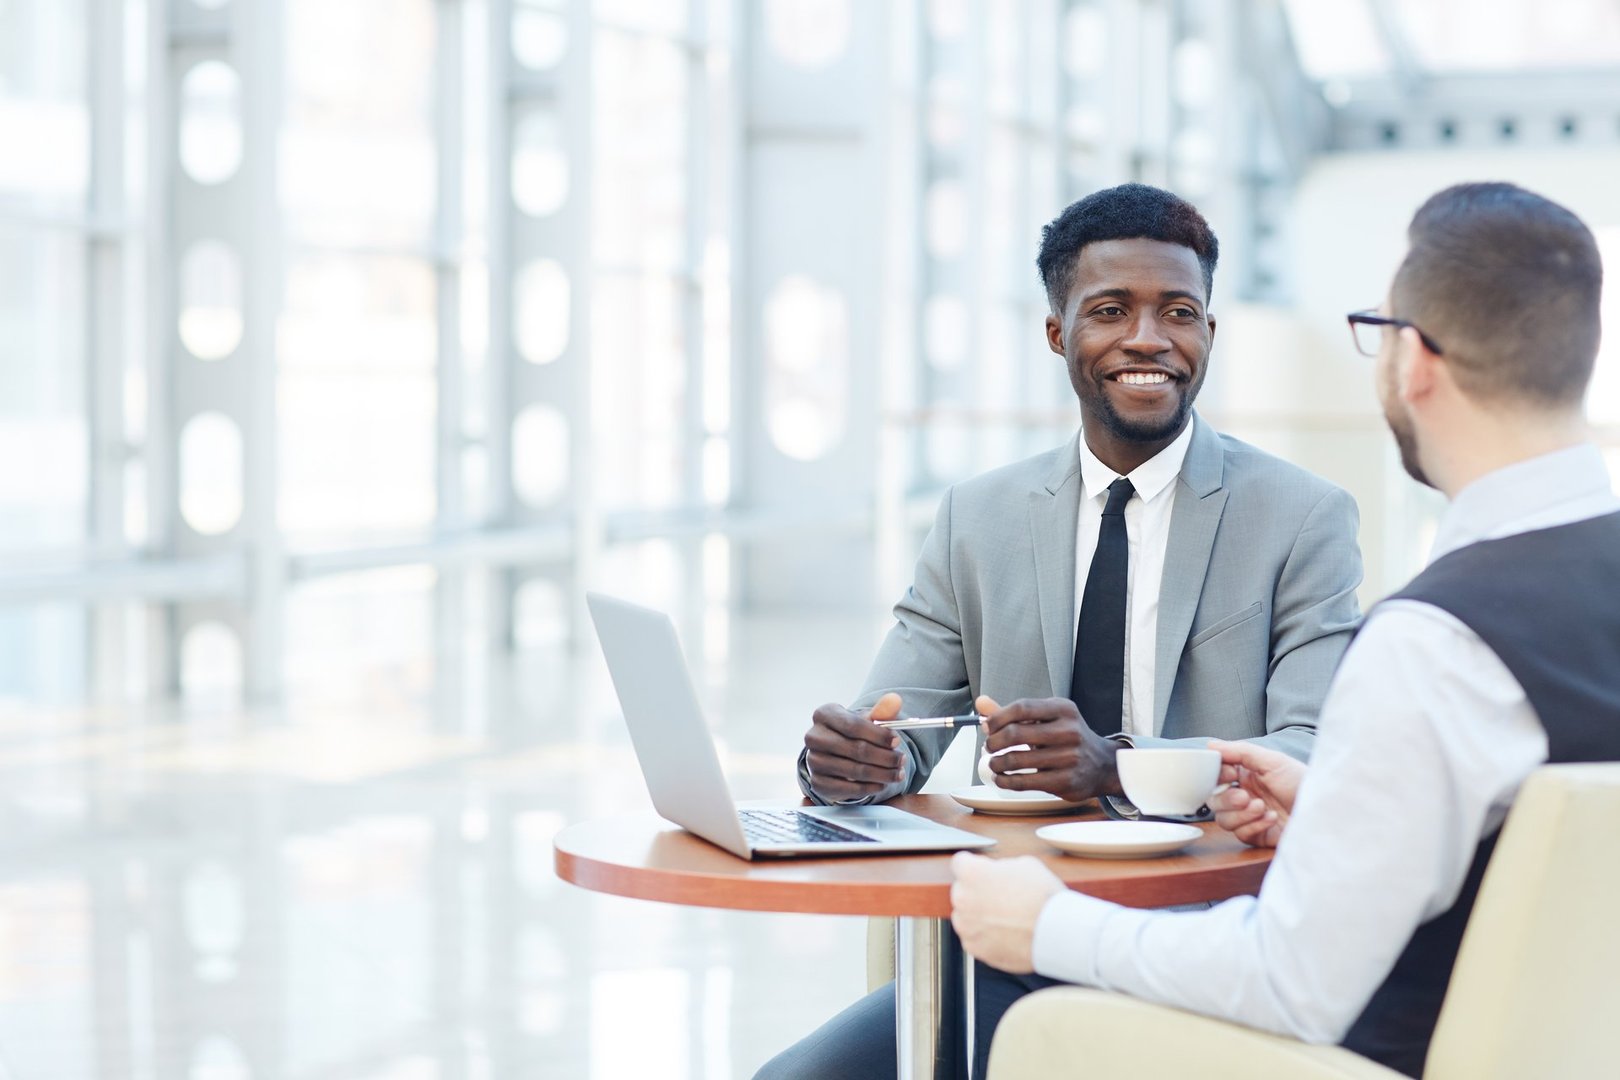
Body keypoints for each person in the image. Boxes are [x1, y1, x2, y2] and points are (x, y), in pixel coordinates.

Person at [950, 180, 1620, 1079]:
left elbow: (1292, 980)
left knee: (995, 1005)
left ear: (1414, 360)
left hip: (1371, 1055)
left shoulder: (1438, 641)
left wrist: (1045, 920)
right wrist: (1331, 810)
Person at [759, 184, 1364, 1079]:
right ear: (1057, 333)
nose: (1148, 339)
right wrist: (853, 762)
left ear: (1207, 332)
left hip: (1209, 945)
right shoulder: (979, 517)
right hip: (1011, 942)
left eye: (1179, 313)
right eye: (1111, 311)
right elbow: (898, 722)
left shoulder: (1302, 517)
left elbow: (1311, 752)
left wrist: (1117, 762)